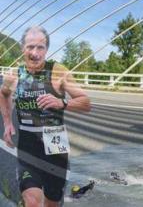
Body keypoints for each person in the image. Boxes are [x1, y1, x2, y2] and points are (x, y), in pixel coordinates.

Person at [0, 26, 91, 207]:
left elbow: (85, 102)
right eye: (30, 47)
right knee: (32, 200)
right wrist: (8, 123)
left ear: (46, 50)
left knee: (52, 201)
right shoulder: (14, 75)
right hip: (27, 144)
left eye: (40, 47)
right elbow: (3, 94)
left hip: (55, 144)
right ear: (22, 48)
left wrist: (62, 103)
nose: (35, 53)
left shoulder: (58, 72)